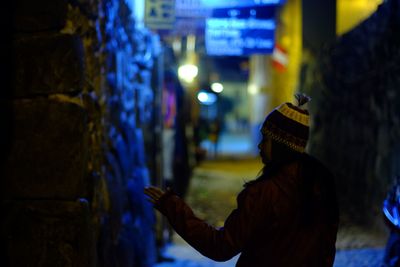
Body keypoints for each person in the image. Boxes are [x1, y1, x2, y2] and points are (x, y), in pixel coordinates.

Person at [145, 93, 339, 266]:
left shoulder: (264, 193)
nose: (260, 146)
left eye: (266, 139)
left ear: (281, 145)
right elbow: (326, 250)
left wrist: (172, 206)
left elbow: (221, 246)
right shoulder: (323, 186)